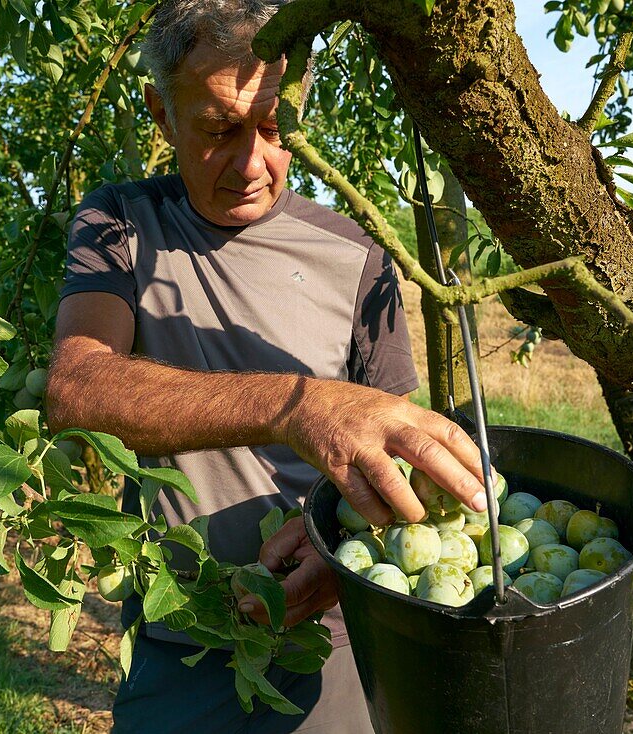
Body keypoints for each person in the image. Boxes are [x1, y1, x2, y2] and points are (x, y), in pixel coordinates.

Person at [46, 1, 488, 731]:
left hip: (329, 642)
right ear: (161, 112)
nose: (253, 163)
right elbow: (77, 386)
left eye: (275, 128)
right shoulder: (119, 223)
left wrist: (336, 549)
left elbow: (395, 456)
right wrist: (299, 405)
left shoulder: (357, 256)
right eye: (219, 130)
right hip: (180, 639)